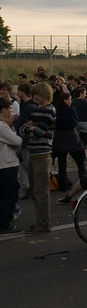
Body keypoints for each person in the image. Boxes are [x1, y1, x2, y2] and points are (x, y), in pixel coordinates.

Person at [20, 82, 56, 233]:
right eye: (33, 94)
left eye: (37, 94)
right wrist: (31, 128)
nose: (35, 97)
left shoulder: (48, 110)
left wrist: (31, 128)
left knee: (41, 191)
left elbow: (39, 132)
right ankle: (40, 221)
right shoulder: (36, 110)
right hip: (33, 152)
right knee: (35, 191)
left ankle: (44, 223)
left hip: (42, 153)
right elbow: (23, 129)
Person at [0, 97, 22, 234]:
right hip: (6, 164)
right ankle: (4, 223)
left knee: (4, 194)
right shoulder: (1, 126)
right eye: (9, 108)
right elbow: (17, 140)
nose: (11, 111)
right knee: (11, 194)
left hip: (4, 164)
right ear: (3, 110)